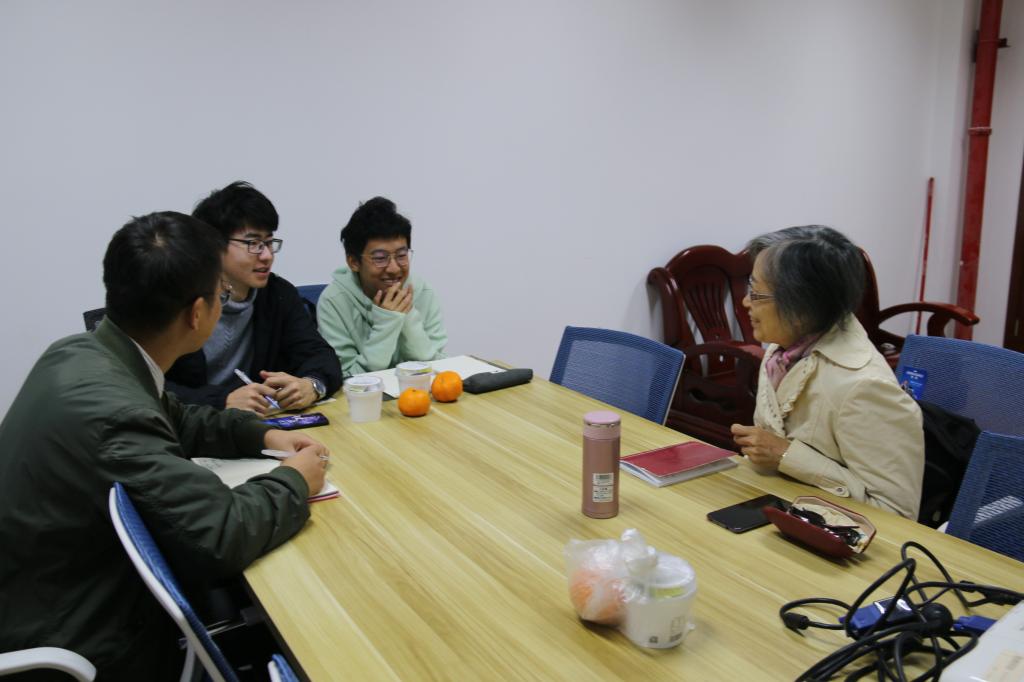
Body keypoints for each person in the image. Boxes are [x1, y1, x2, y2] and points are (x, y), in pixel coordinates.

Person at [0, 212, 330, 679]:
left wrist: (264, 435)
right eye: (220, 295)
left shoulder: (82, 352)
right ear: (197, 314)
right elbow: (221, 534)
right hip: (80, 638)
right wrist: (295, 479)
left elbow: (179, 418)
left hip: (45, 589)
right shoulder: (115, 413)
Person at [730, 225, 925, 519]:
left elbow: (897, 514)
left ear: (801, 306)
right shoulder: (782, 349)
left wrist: (786, 455)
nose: (746, 302)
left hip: (830, 534)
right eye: (750, 287)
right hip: (780, 509)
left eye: (757, 293)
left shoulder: (865, 386)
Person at [166, 181, 342, 413]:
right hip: (190, 425)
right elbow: (148, 386)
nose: (267, 255)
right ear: (214, 246)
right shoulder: (177, 300)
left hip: (258, 420)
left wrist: (312, 385)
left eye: (269, 242)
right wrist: (222, 401)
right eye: (253, 244)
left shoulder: (277, 294)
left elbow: (320, 355)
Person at [317, 196, 447, 374]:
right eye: (380, 258)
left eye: (401, 255)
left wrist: (407, 315)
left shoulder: (422, 291)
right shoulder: (333, 301)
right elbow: (345, 376)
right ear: (353, 262)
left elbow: (436, 365)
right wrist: (387, 323)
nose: (394, 268)